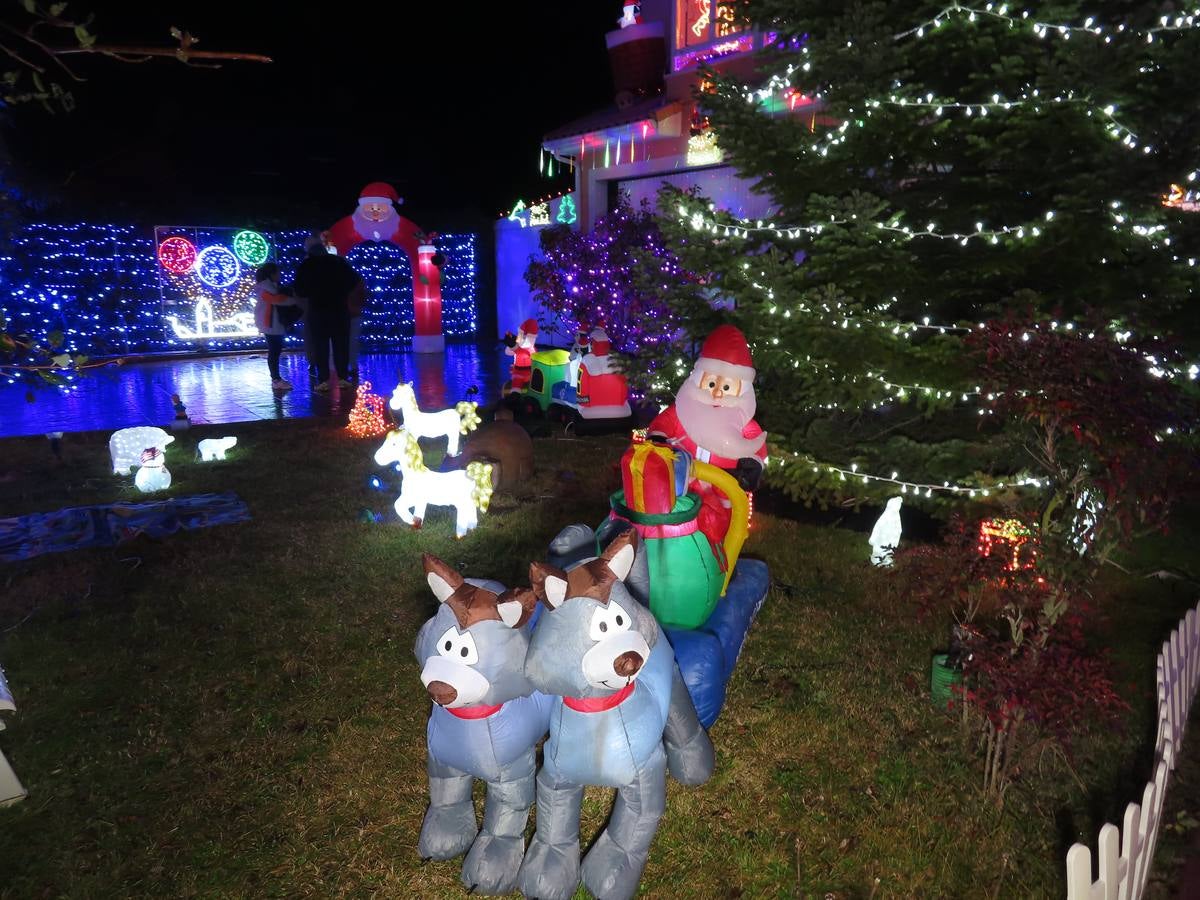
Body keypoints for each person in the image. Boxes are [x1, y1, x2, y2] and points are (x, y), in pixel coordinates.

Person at [647, 324, 767, 546]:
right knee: (676, 520)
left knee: (718, 526)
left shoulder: (744, 422)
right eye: (711, 383)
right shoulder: (683, 410)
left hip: (722, 489)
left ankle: (716, 552)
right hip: (682, 482)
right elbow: (663, 423)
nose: (717, 392)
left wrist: (754, 463)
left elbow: (756, 443)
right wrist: (659, 439)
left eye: (727, 387)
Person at [293, 234, 364, 392]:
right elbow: (354, 281)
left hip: (318, 310)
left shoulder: (307, 265)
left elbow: (299, 289)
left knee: (320, 345)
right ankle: (343, 378)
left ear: (308, 250)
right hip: (339, 309)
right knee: (341, 344)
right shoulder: (338, 262)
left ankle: (323, 380)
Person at [252, 262, 299, 392]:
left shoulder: (270, 287)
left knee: (275, 351)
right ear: (271, 274)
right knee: (274, 351)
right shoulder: (265, 288)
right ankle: (276, 379)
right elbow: (276, 300)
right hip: (270, 324)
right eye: (278, 273)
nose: (280, 275)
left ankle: (276, 379)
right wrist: (295, 301)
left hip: (273, 324)